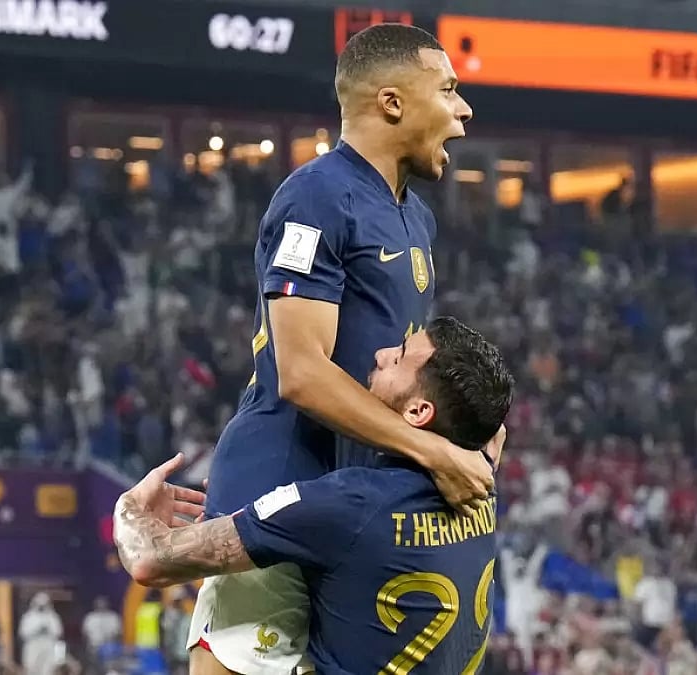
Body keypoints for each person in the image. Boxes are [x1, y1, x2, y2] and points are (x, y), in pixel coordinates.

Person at [188, 21, 493, 675]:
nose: (464, 110)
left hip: (353, 500)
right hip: (279, 481)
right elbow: (300, 373)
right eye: (448, 89)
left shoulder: (415, 214)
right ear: (391, 102)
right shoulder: (317, 196)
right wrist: (431, 449)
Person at [116, 317, 513, 674]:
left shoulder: (347, 504)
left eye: (399, 359)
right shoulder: (481, 482)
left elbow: (149, 561)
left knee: (233, 602)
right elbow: (496, 432)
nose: (382, 353)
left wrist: (130, 508)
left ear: (418, 412)